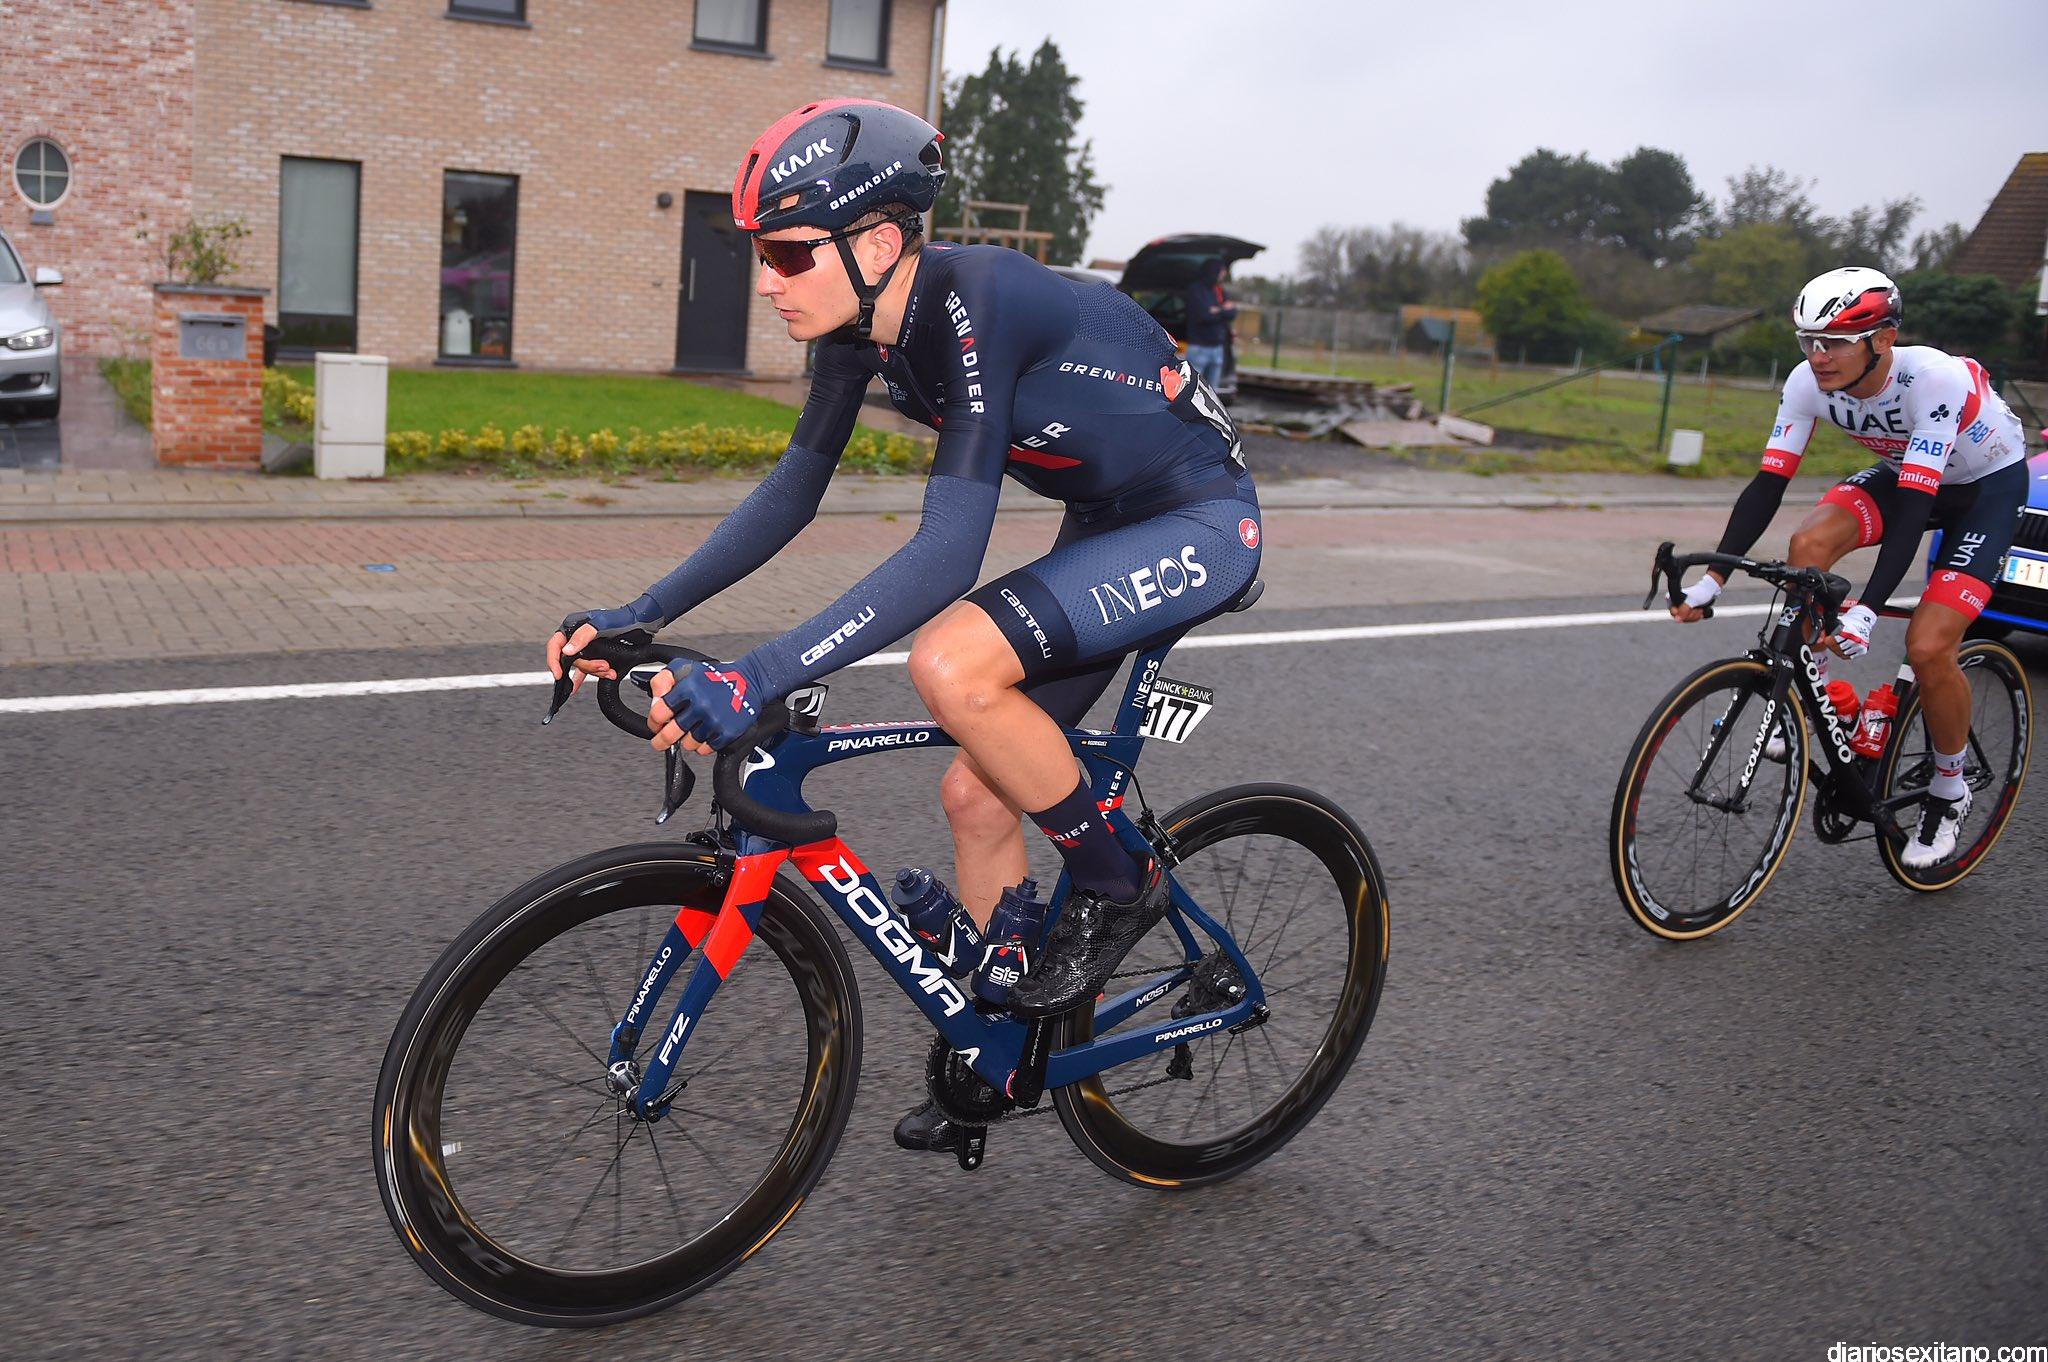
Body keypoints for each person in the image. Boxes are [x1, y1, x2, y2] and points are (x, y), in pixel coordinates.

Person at [545, 100, 1260, 1152]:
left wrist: (754, 676)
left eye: (789, 252)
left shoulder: (979, 304)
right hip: (1106, 520)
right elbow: (791, 495)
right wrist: (640, 613)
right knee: (976, 788)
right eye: (760, 253)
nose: (768, 279)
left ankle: (1125, 883)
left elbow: (945, 555)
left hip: (1199, 519)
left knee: (951, 665)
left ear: (877, 244)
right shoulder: (855, 331)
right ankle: (1002, 1052)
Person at [1671, 266, 2027, 867]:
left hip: (1984, 489)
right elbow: (1769, 483)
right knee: (1808, 544)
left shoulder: (1932, 380)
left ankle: (1949, 788)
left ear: (1882, 340)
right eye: (1809, 341)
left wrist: (1867, 610)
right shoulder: (1806, 381)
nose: (1819, 356)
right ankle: (1815, 701)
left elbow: (1915, 508)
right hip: (1905, 475)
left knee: (1928, 646)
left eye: (1835, 342)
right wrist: (1714, 579)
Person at [1182, 256, 1236, 392]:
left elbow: (1232, 312)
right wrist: (1223, 310)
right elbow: (1203, 315)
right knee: (1193, 389)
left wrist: (1216, 310)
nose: (1224, 274)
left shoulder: (1219, 291)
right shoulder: (1196, 290)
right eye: (1222, 270)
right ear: (1214, 270)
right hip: (1199, 347)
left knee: (1213, 391)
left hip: (1217, 348)